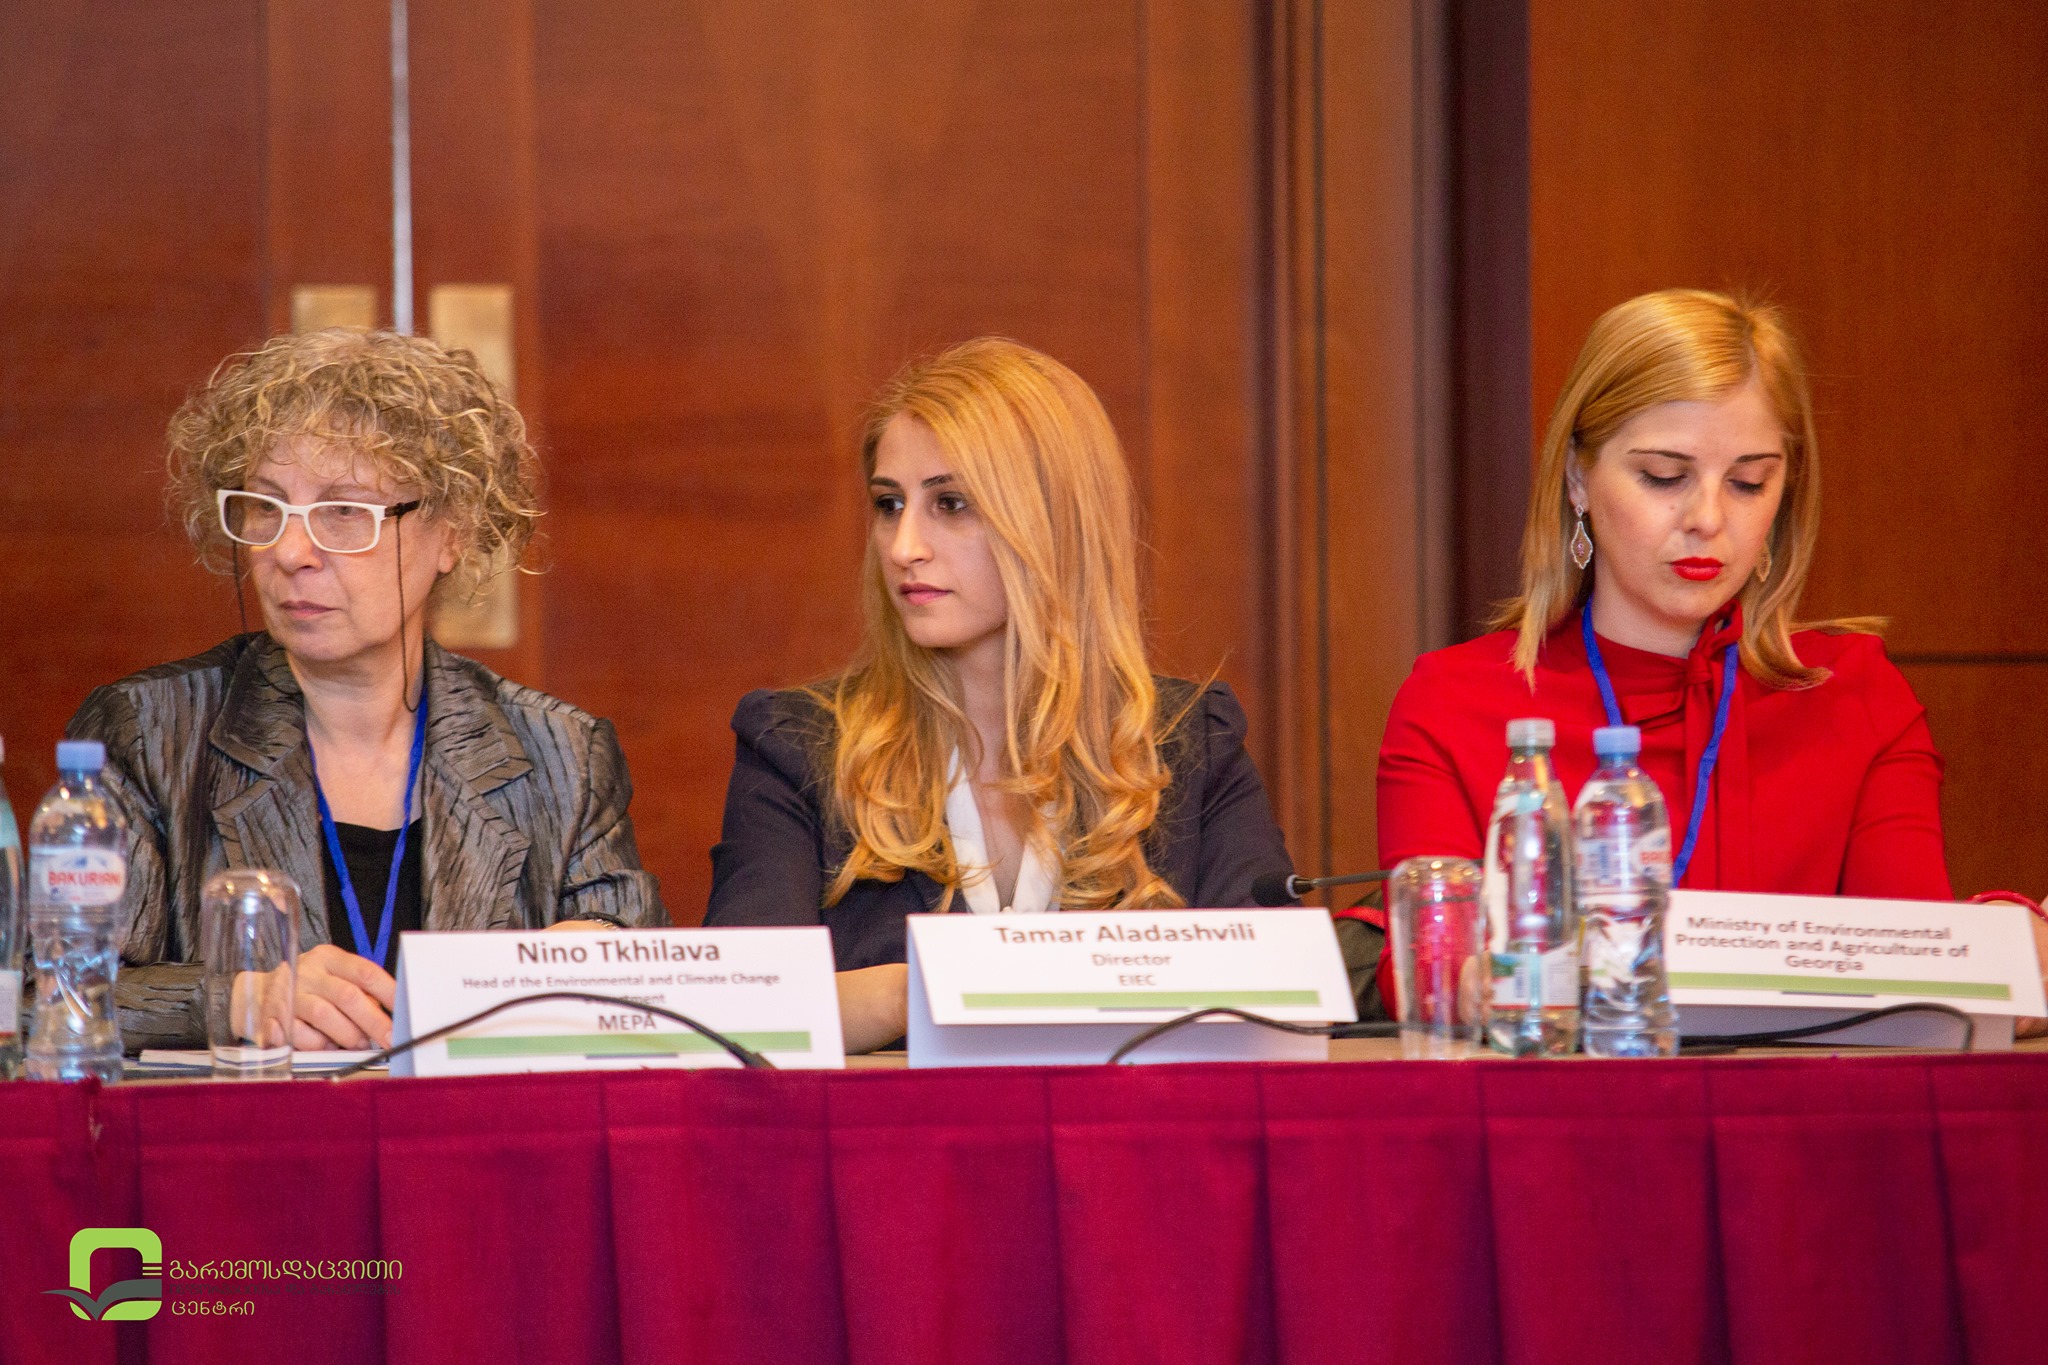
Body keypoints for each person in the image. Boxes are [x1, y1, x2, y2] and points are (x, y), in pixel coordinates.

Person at [1377, 288, 2048, 1026]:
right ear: (1577, 478)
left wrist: (2011, 946)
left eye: (1748, 483)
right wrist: (1472, 981)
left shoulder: (1855, 694)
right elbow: (1424, 964)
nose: (1707, 518)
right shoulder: (1454, 701)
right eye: (1664, 476)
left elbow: (1919, 970)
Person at [69, 329, 666, 1053]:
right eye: (266, 507)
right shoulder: (148, 733)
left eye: (344, 511)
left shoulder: (562, 757)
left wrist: (593, 961)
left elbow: (645, 986)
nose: (289, 551)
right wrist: (232, 999)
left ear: (452, 532)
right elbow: (49, 995)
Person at [704, 338, 1293, 1051]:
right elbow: (735, 1013)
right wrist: (914, 994)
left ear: (1055, 521)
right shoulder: (797, 747)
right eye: (889, 504)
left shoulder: (1190, 742)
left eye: (950, 503)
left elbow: (1277, 1003)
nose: (904, 546)